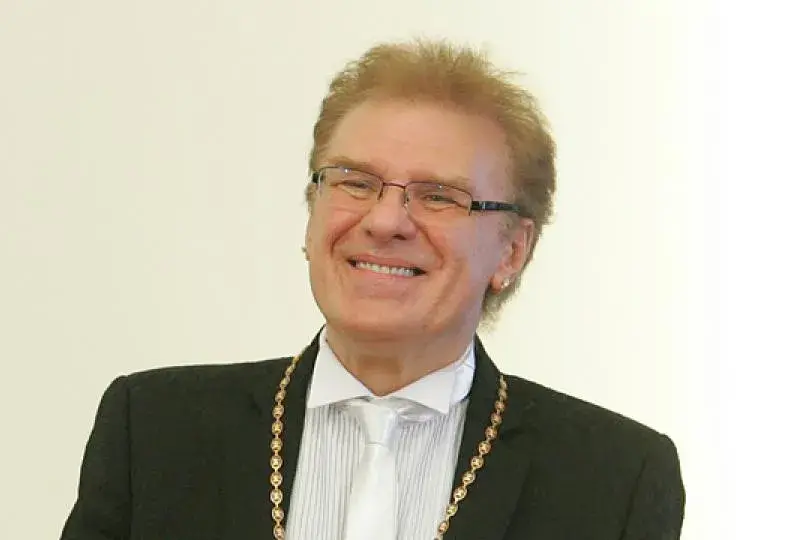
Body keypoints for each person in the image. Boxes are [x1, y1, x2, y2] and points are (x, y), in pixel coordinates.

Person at [61, 39, 685, 540]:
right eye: (355, 183)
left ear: (512, 251)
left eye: (439, 196)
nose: (385, 222)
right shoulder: (154, 430)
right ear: (312, 214)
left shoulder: (615, 477)